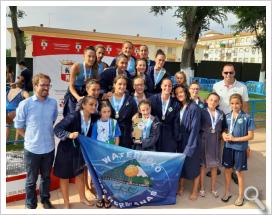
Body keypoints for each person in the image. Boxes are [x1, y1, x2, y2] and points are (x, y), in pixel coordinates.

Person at [14, 73, 58, 209]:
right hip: (32, 150)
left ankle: (45, 200)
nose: (46, 88)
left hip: (49, 148)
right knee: (31, 180)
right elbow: (18, 126)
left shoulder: (53, 103)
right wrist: (29, 137)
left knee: (46, 177)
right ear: (34, 85)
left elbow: (53, 120)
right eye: (42, 85)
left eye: (48, 85)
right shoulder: (25, 104)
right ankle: (30, 204)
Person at [53, 96, 98, 209]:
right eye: (91, 104)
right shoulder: (73, 116)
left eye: (95, 105)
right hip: (66, 150)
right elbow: (57, 129)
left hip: (80, 150)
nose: (94, 107)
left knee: (79, 175)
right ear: (83, 105)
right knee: (64, 177)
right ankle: (66, 202)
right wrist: (69, 135)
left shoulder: (94, 118)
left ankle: (82, 198)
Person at [212, 63, 250, 183]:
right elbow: (213, 101)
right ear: (222, 73)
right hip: (220, 119)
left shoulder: (242, 87)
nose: (228, 75)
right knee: (217, 143)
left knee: (234, 144)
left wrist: (244, 123)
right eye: (226, 72)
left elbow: (246, 106)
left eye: (231, 72)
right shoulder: (216, 86)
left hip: (236, 120)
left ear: (234, 73)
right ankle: (216, 166)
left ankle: (234, 170)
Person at [221, 93, 255, 206]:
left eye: (237, 103)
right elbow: (224, 130)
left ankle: (241, 196)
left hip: (240, 148)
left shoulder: (247, 117)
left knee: (238, 172)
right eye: (232, 103)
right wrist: (223, 135)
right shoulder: (227, 116)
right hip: (228, 147)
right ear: (229, 104)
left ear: (241, 104)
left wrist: (235, 139)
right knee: (227, 170)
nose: (234, 106)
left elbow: (251, 136)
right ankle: (227, 192)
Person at [173, 84, 201, 200]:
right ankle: (181, 187)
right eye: (177, 93)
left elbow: (195, 129)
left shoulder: (194, 108)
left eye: (181, 92)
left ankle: (195, 191)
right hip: (181, 140)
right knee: (182, 165)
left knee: (194, 166)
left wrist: (190, 146)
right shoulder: (179, 106)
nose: (180, 94)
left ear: (186, 92)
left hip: (191, 141)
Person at [199, 92, 226, 198]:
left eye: (215, 100)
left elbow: (224, 127)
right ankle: (201, 188)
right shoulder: (202, 112)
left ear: (218, 102)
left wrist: (223, 133)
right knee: (202, 165)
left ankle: (213, 188)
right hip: (204, 140)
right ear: (206, 100)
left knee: (214, 166)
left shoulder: (221, 113)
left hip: (215, 141)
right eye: (211, 100)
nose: (213, 102)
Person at [63, 46, 98, 117]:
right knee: (72, 116)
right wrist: (78, 97)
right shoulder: (76, 66)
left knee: (85, 115)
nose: (91, 59)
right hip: (73, 94)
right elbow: (71, 86)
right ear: (84, 56)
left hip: (85, 93)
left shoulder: (95, 69)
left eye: (93, 57)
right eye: (89, 56)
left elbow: (93, 85)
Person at [149, 78, 179, 152]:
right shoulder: (152, 99)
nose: (167, 88)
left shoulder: (175, 103)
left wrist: (176, 137)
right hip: (155, 133)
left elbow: (176, 121)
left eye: (170, 86)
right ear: (161, 86)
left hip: (169, 135)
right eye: (165, 85)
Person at [108, 75, 137, 148]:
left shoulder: (130, 100)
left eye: (124, 84)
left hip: (126, 134)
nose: (122, 86)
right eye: (120, 84)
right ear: (114, 85)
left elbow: (137, 117)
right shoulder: (108, 99)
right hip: (110, 133)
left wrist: (137, 137)